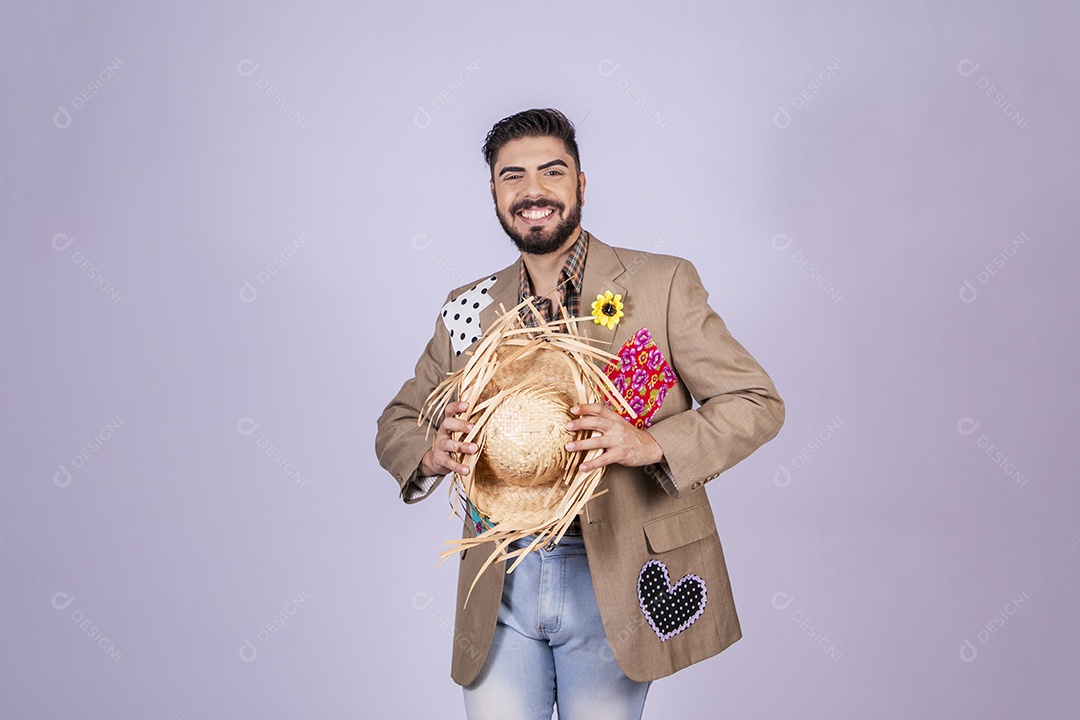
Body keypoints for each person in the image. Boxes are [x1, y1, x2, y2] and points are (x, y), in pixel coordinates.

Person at [375, 108, 784, 719]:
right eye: (512, 176)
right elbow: (396, 424)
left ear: (581, 184)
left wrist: (652, 445)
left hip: (618, 567)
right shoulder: (468, 308)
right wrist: (431, 452)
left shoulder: (663, 283)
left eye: (551, 171)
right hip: (501, 582)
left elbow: (756, 402)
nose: (532, 191)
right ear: (493, 192)